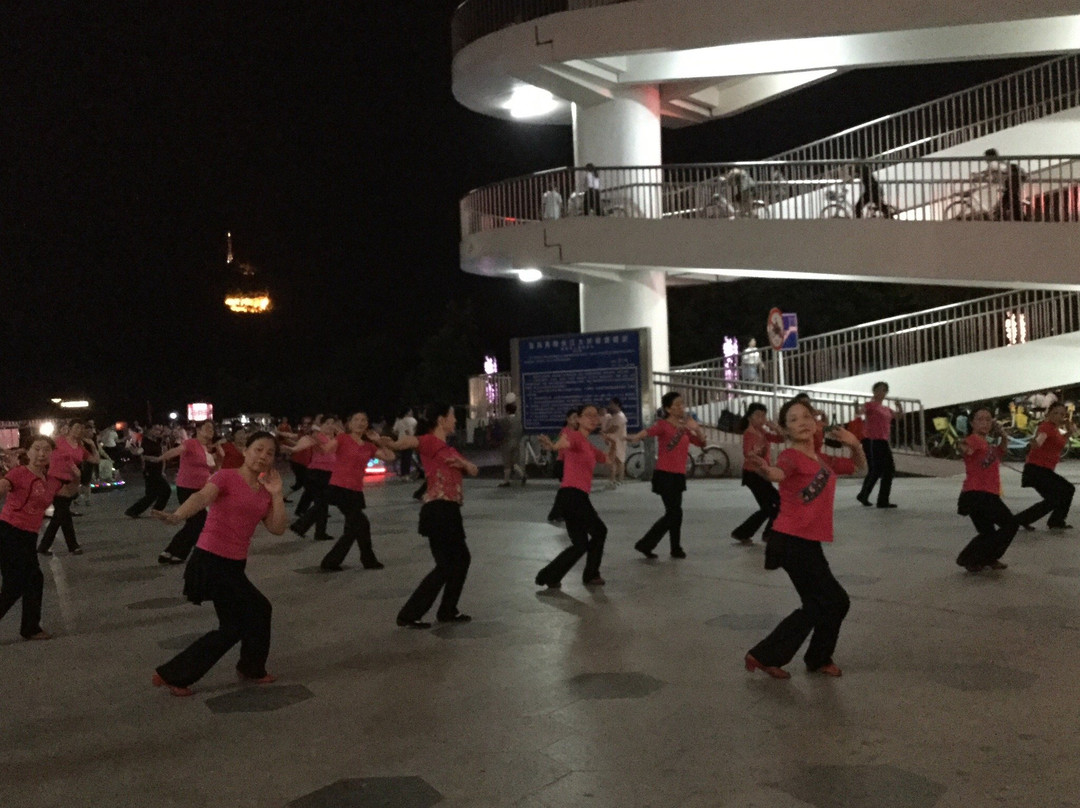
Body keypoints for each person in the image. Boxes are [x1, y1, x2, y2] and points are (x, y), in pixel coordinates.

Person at [150, 431, 288, 696]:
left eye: (269, 453)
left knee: (239, 622)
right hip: (211, 561)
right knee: (254, 612)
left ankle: (246, 667)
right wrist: (178, 515)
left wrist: (277, 494)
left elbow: (277, 528)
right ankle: (176, 674)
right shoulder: (226, 477)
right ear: (245, 451)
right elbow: (201, 497)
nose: (263, 456)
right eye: (258, 449)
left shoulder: (264, 493)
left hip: (234, 565)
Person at [743, 397, 866, 679]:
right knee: (835, 601)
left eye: (806, 416)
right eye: (794, 419)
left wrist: (855, 444)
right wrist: (764, 470)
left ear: (815, 422)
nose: (802, 423)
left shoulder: (823, 459)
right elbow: (778, 473)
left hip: (806, 542)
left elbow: (859, 467)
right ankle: (809, 657)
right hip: (790, 540)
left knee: (819, 605)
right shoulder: (790, 456)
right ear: (786, 430)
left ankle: (774, 656)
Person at [382, 403, 479, 628]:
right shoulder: (429, 441)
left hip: (448, 510)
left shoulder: (449, 450)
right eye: (452, 416)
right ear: (441, 420)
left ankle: (446, 610)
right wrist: (392, 443)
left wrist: (463, 463)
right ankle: (412, 614)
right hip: (439, 510)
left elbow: (474, 470)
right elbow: (408, 442)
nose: (456, 420)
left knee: (458, 560)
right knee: (449, 564)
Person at [290, 411, 395, 571]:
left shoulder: (368, 446)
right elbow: (326, 449)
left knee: (358, 526)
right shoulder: (343, 438)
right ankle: (354, 560)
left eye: (364, 420)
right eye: (356, 419)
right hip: (340, 488)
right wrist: (314, 438)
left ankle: (350, 560)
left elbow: (390, 457)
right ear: (349, 424)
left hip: (355, 490)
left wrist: (378, 441)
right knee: (358, 525)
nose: (360, 422)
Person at [535, 404, 614, 588]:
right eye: (588, 415)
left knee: (580, 544)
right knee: (600, 531)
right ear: (578, 419)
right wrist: (553, 446)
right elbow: (565, 441)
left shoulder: (589, 446)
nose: (593, 418)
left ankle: (548, 576)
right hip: (573, 496)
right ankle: (591, 575)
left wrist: (613, 444)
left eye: (596, 415)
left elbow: (609, 460)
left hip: (572, 497)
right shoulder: (575, 436)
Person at [626, 392, 704, 559]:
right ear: (668, 409)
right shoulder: (663, 425)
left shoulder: (684, 428)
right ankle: (647, 544)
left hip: (678, 475)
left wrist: (696, 428)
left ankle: (674, 548)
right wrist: (634, 437)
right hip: (665, 474)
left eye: (682, 403)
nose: (681, 407)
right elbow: (648, 432)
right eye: (677, 404)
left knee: (675, 513)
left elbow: (702, 442)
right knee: (674, 513)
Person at [0, 436, 55, 640]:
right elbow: (4, 485)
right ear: (28, 452)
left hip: (28, 535)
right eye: (37, 449)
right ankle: (31, 628)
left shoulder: (48, 478)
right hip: (10, 532)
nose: (41, 453)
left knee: (19, 583)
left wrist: (76, 476)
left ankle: (30, 628)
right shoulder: (19, 473)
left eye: (46, 449)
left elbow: (68, 493)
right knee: (26, 580)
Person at [148, 420, 223, 565]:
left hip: (202, 490)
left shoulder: (207, 449)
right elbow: (177, 451)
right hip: (187, 488)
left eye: (212, 429)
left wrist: (220, 457)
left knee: (195, 523)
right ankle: (176, 552)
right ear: (199, 430)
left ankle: (172, 552)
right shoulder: (191, 443)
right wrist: (160, 459)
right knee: (197, 522)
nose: (211, 431)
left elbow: (214, 469)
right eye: (207, 428)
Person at [955, 407, 1017, 573]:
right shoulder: (973, 440)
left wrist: (1003, 435)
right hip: (978, 494)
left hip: (984, 493)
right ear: (972, 423)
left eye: (988, 419)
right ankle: (970, 558)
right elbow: (964, 447)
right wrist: (962, 446)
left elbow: (1001, 451)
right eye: (980, 419)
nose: (985, 423)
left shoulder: (988, 444)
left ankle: (984, 559)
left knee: (987, 532)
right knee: (1010, 524)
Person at [1014, 402, 1075, 532]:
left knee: (1059, 495)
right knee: (1064, 492)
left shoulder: (1055, 430)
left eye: (1062, 414)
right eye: (1055, 413)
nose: (1059, 416)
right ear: (1048, 414)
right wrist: (1034, 443)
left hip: (1043, 470)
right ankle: (1052, 521)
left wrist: (1069, 431)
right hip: (1037, 469)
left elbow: (1059, 442)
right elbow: (1039, 441)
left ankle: (1051, 521)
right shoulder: (1046, 427)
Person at [731, 403, 783, 544]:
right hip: (753, 474)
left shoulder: (762, 432)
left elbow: (782, 438)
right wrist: (762, 462)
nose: (762, 419)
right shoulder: (749, 433)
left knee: (773, 505)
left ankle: (745, 533)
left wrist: (776, 428)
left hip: (762, 474)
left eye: (764, 415)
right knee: (773, 505)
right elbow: (747, 453)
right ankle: (764, 534)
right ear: (750, 417)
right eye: (758, 415)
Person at [37, 420, 90, 556]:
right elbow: (43, 450)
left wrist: (93, 446)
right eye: (76, 427)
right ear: (69, 429)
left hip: (70, 482)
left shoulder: (80, 446)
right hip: (54, 480)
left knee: (60, 515)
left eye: (81, 428)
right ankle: (73, 546)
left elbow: (92, 459)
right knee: (63, 512)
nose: (79, 430)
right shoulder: (58, 441)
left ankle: (44, 546)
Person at [856, 382, 902, 509]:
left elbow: (898, 416)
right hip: (873, 440)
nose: (881, 393)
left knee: (883, 470)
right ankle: (877, 498)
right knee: (881, 469)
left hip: (883, 440)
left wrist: (899, 407)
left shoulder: (886, 409)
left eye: (884, 390)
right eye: (879, 390)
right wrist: (857, 408)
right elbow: (860, 411)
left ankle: (869, 496)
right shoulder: (870, 405)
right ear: (874, 391)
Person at [124, 424, 172, 518]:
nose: (158, 432)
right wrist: (152, 458)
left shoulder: (158, 441)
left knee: (152, 494)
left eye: (159, 430)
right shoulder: (143, 440)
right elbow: (138, 453)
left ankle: (133, 511)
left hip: (157, 469)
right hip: (149, 469)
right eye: (156, 429)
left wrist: (162, 469)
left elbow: (162, 456)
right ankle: (156, 510)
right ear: (149, 430)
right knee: (166, 490)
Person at [546, 408, 579, 524]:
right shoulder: (565, 432)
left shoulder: (575, 432)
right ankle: (556, 513)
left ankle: (558, 513)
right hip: (564, 464)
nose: (576, 420)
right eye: (574, 418)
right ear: (568, 420)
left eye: (577, 418)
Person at [984, 148, 1027, 221]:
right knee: (1009, 200)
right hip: (1015, 179)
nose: (985, 160)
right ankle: (1019, 219)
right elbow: (999, 174)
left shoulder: (993, 163)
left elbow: (988, 174)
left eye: (985, 157)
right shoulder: (1001, 162)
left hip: (1012, 180)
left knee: (1011, 200)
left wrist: (977, 177)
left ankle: (1019, 219)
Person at [497, 397, 526, 487]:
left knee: (507, 463)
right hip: (516, 442)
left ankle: (506, 481)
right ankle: (522, 475)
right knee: (515, 462)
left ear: (507, 411)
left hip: (507, 443)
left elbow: (501, 429)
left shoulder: (505, 420)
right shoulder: (518, 420)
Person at [602, 397, 628, 489]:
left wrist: (605, 431)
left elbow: (614, 428)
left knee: (619, 461)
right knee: (614, 461)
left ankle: (619, 480)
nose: (610, 406)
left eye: (612, 404)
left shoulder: (620, 416)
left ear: (617, 405)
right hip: (614, 442)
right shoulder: (615, 416)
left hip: (618, 442)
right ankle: (613, 480)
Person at [392, 408, 418, 480]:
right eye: (411, 412)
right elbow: (416, 430)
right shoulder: (413, 420)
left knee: (403, 458)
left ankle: (403, 474)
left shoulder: (399, 421)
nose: (412, 413)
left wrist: (400, 434)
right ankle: (407, 475)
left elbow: (394, 431)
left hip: (401, 442)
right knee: (408, 458)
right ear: (408, 413)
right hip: (409, 441)